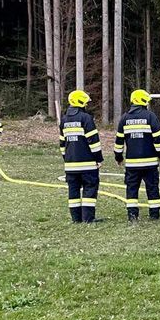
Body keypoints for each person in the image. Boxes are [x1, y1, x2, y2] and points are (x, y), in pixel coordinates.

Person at [113, 89, 160, 222]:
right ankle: (154, 214)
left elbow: (119, 141)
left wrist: (118, 157)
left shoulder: (124, 118)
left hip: (132, 164)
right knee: (152, 188)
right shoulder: (150, 116)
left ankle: (132, 215)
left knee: (131, 189)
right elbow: (158, 139)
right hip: (150, 163)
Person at [59, 90, 103, 223]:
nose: (87, 105)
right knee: (90, 189)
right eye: (85, 102)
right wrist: (98, 158)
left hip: (70, 165)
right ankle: (88, 218)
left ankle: (76, 218)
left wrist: (67, 159)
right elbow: (93, 141)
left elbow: (62, 144)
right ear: (81, 102)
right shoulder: (86, 118)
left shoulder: (64, 119)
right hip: (87, 164)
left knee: (73, 191)